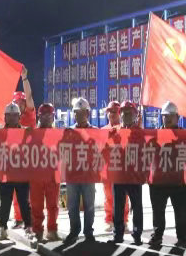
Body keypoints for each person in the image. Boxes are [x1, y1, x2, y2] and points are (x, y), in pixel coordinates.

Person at [149, 101, 186, 247]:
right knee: (158, 212)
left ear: (177, 117)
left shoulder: (185, 136)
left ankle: (182, 238)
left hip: (178, 181)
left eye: (171, 116)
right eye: (165, 116)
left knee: (181, 211)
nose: (167, 119)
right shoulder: (154, 135)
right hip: (158, 182)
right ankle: (157, 236)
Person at [0, 102, 33, 241]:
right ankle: (2, 228)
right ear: (5, 117)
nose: (12, 118)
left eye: (14, 115)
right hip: (5, 174)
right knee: (5, 203)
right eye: (9, 115)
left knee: (24, 202)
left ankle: (29, 227)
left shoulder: (26, 132)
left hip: (22, 174)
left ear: (19, 117)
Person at [110, 101, 144, 245]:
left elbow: (145, 153)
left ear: (135, 115)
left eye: (130, 113)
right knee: (118, 206)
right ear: (120, 115)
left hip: (134, 175)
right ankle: (118, 234)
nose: (127, 115)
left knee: (136, 206)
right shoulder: (114, 131)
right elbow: (106, 149)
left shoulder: (140, 133)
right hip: (118, 175)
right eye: (124, 113)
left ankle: (137, 234)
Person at [65, 97, 97, 243]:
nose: (78, 115)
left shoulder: (95, 132)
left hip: (88, 175)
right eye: (76, 112)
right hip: (72, 174)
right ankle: (74, 231)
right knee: (72, 205)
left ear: (88, 113)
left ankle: (88, 232)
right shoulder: (69, 131)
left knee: (89, 205)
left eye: (82, 112)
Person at [30, 103, 61, 242]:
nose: (47, 118)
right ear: (39, 116)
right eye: (44, 115)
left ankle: (52, 230)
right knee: (36, 205)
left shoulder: (59, 134)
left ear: (53, 117)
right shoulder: (32, 134)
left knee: (53, 205)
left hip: (53, 174)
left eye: (50, 115)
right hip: (36, 175)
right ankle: (37, 231)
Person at [11, 67, 36, 227]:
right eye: (17, 102)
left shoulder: (30, 115)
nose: (19, 105)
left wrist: (24, 78)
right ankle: (18, 218)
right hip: (15, 160)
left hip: (29, 159)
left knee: (29, 192)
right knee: (16, 192)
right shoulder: (10, 118)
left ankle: (30, 219)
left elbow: (30, 96)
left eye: (21, 102)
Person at [102, 101, 128, 233]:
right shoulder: (103, 131)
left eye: (114, 112)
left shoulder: (125, 130)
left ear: (119, 113)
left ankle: (124, 221)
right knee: (108, 196)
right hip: (107, 170)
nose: (111, 114)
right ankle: (110, 221)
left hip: (122, 170)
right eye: (109, 112)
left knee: (123, 197)